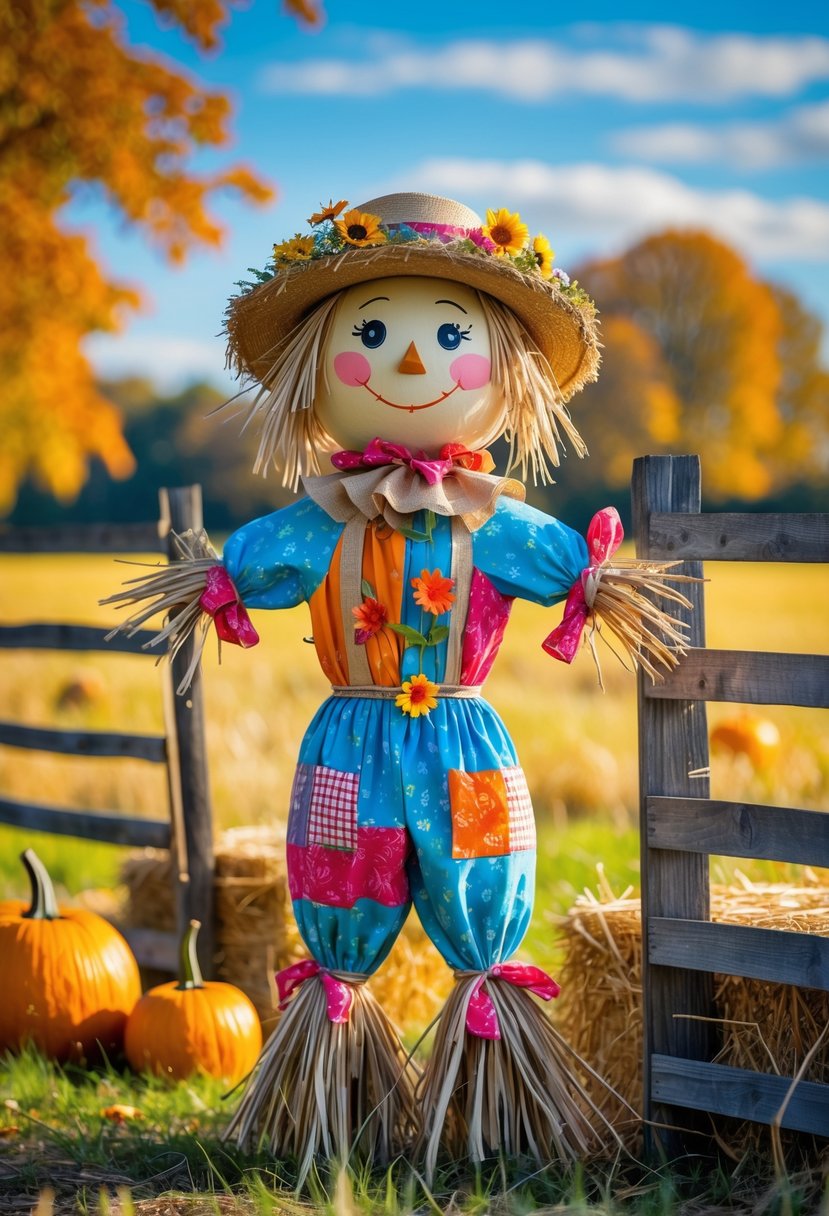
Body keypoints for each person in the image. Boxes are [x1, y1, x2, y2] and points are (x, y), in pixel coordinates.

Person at [106, 192, 689, 1181]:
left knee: (483, 904)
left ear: (505, 368)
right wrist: (208, 586)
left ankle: (496, 1114)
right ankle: (332, 1108)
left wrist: (605, 590)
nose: (411, 361)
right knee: (338, 903)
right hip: (351, 744)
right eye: (370, 335)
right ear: (315, 367)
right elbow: (235, 571)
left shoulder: (493, 520)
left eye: (449, 338)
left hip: (465, 745)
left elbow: (578, 573)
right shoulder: (315, 522)